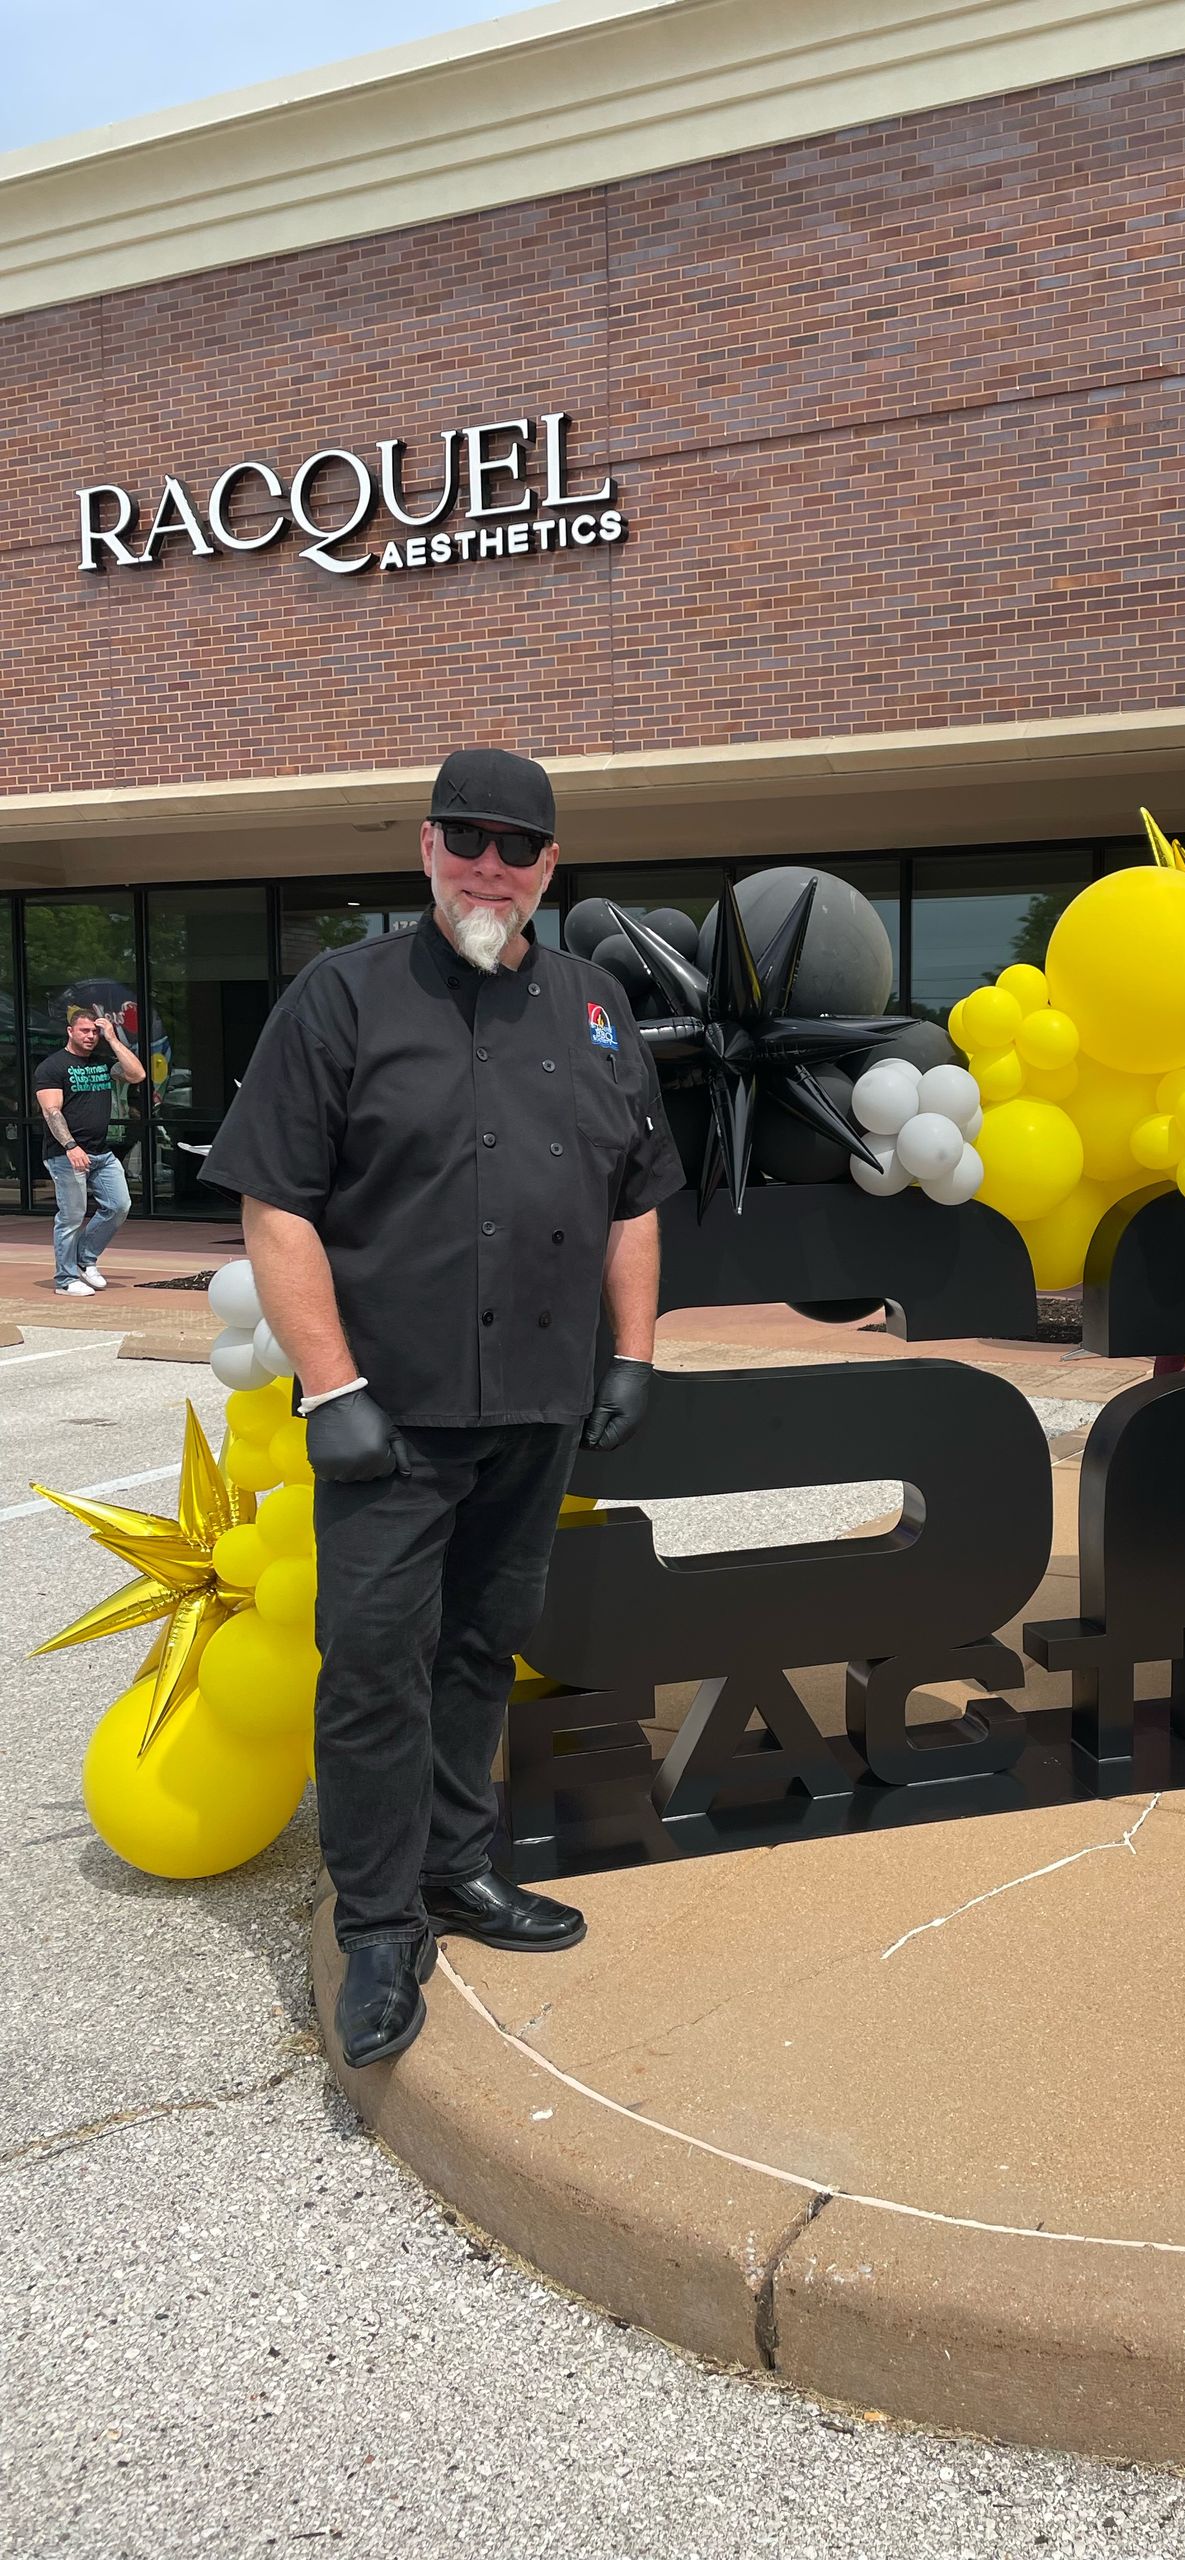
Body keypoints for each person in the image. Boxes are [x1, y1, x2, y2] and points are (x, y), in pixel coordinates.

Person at [204, 749, 684, 2071]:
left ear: (548, 866)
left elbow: (634, 1195)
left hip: (535, 1407)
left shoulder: (594, 1009)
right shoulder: (341, 997)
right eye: (465, 838)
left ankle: (458, 1870)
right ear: (425, 847)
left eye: (515, 846)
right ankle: (375, 1922)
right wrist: (332, 1385)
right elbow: (277, 1202)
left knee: (482, 1647)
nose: (489, 864)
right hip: (390, 1415)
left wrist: (630, 1356)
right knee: (371, 1667)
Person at [34, 1003, 146, 1294]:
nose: (90, 1036)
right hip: (66, 1154)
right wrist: (71, 1146)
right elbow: (51, 1112)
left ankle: (84, 1260)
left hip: (101, 1152)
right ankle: (65, 1280)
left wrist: (112, 1038)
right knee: (71, 1216)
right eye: (84, 1030)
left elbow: (137, 1075)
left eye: (95, 1032)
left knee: (119, 1205)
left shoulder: (101, 1061)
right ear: (70, 1031)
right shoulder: (52, 1067)